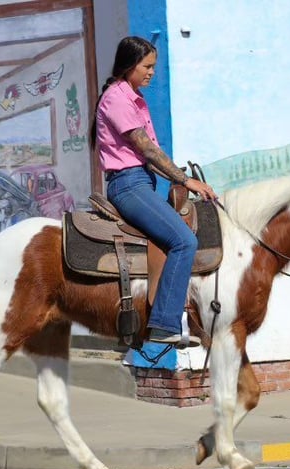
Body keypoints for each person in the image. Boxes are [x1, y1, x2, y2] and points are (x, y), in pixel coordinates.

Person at [92, 36, 218, 349]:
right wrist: (187, 181)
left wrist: (179, 179)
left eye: (153, 67)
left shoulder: (136, 99)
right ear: (129, 65)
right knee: (184, 240)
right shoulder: (116, 98)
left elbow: (154, 157)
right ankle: (164, 323)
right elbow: (146, 149)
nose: (151, 72)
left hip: (142, 180)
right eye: (146, 66)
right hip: (128, 184)